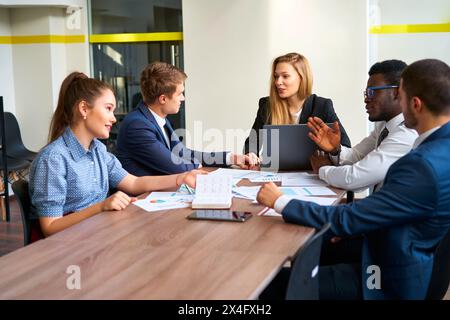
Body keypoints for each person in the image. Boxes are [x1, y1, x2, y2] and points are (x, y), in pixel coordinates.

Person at [256, 58, 450, 300]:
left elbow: (352, 210)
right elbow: (387, 204)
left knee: (274, 286)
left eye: (402, 96)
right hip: (395, 248)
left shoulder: (421, 164)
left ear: (415, 104)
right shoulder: (439, 148)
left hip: (385, 277)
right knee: (309, 251)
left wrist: (281, 202)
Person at [29, 72, 203, 239]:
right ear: (84, 108)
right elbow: (50, 227)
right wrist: (102, 206)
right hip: (65, 247)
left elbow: (134, 182)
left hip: (96, 234)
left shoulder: (98, 150)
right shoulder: (53, 159)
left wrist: (181, 178)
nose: (113, 118)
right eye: (108, 109)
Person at [116, 62, 259, 176]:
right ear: (163, 99)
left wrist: (232, 158)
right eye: (180, 94)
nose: (183, 98)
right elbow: (175, 166)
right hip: (138, 203)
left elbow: (182, 153)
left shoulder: (159, 119)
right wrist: (196, 165)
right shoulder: (137, 125)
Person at [308, 60, 417, 191]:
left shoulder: (407, 134)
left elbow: (354, 179)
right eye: (366, 93)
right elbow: (357, 157)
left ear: (397, 92)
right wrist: (335, 149)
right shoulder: (383, 126)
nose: (366, 99)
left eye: (372, 92)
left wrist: (322, 169)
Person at [243, 52, 351, 155]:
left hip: (312, 171)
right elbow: (252, 142)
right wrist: (251, 154)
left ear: (301, 78)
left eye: (285, 76)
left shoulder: (322, 106)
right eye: (276, 76)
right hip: (276, 172)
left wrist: (332, 151)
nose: (278, 82)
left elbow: (345, 146)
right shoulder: (267, 105)